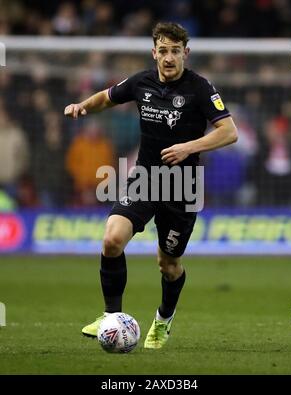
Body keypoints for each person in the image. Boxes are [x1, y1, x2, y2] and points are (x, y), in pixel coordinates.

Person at [64, 22, 238, 349]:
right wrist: (84, 106)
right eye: (163, 51)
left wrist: (189, 147)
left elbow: (229, 132)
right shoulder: (142, 82)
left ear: (185, 53)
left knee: (168, 265)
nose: (169, 58)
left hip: (182, 188)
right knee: (112, 239)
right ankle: (110, 316)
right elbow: (108, 97)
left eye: (175, 51)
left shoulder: (200, 88)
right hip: (145, 179)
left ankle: (163, 319)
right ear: (154, 52)